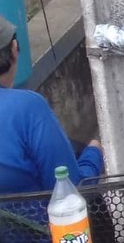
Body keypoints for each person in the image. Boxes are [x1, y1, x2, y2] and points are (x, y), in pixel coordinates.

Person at [0, 16, 104, 195]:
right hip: (33, 222)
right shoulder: (27, 108)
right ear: (15, 49)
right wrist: (94, 155)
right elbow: (70, 189)